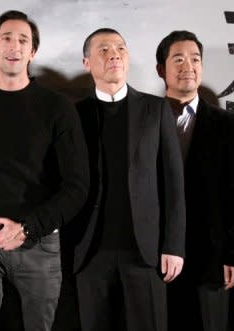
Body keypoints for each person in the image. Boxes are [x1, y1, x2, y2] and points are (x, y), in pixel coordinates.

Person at [0, 10, 90, 331]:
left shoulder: (56, 107)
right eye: (6, 38)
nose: (14, 46)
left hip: (39, 243)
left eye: (23, 40)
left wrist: (28, 228)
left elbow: (77, 186)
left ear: (33, 52)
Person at [72, 28, 186, 331]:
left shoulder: (155, 109)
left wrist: (174, 245)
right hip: (89, 252)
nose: (114, 54)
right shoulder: (73, 114)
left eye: (120, 48)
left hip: (145, 252)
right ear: (87, 63)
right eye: (104, 49)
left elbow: (173, 183)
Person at [156, 30, 234, 331]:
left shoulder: (226, 125)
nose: (188, 66)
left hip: (210, 258)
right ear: (161, 69)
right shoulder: (143, 119)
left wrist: (230, 252)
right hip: (156, 256)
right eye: (178, 59)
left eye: (195, 59)